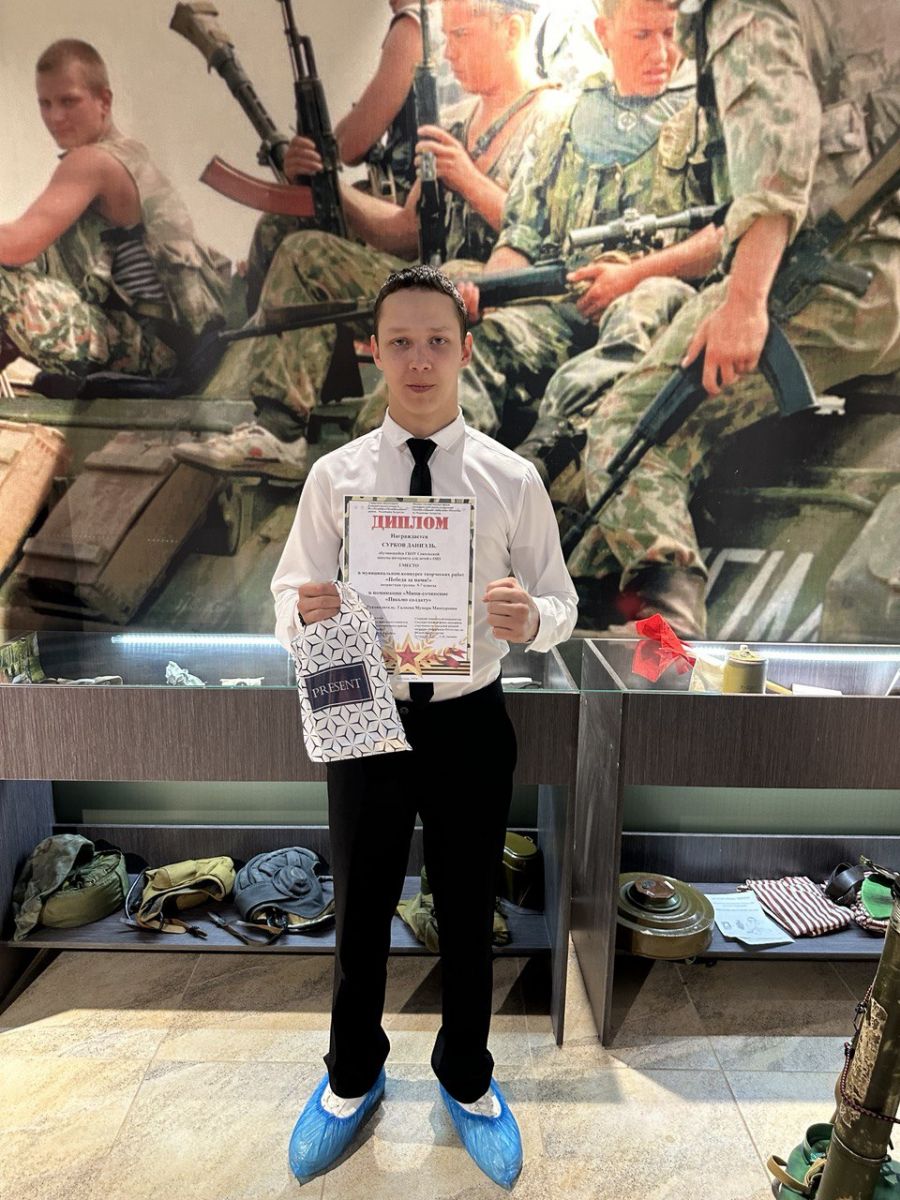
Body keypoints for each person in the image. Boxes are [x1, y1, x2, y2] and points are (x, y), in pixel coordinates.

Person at [270, 266, 577, 1188]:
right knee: (361, 905)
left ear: (466, 350)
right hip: (363, 715)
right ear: (373, 350)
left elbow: (562, 601)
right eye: (399, 341)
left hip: (470, 720)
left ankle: (467, 1077)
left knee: (470, 907)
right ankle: (350, 1076)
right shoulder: (335, 478)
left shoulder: (510, 478)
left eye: (437, 340)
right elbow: (285, 594)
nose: (418, 360)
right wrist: (305, 616)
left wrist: (534, 620)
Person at [566, 0, 900, 639]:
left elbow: (778, 149)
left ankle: (666, 618)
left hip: (832, 277)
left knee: (625, 429)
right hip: (882, 282)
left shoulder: (746, 7)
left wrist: (744, 303)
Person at [180, 0, 564, 480]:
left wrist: (468, 179)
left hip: (499, 300)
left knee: (451, 278)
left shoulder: (554, 119)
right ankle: (276, 432)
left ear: (512, 32)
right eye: (447, 37)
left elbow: (550, 232)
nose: (448, 53)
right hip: (432, 288)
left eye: (461, 36)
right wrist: (327, 182)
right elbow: (402, 231)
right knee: (305, 253)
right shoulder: (458, 120)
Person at [428, 0, 700, 447]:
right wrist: (489, 295)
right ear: (604, 33)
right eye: (642, 35)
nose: (660, 53)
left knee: (641, 310)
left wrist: (632, 275)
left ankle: (546, 454)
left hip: (655, 307)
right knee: (480, 345)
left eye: (669, 34)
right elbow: (522, 234)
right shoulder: (565, 121)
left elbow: (723, 235)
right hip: (562, 305)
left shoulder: (703, 119)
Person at [0, 39, 228, 386]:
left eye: (68, 101)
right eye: (45, 104)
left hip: (147, 348)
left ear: (104, 101)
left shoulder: (92, 161)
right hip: (160, 343)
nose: (55, 117)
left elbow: (16, 244)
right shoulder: (130, 154)